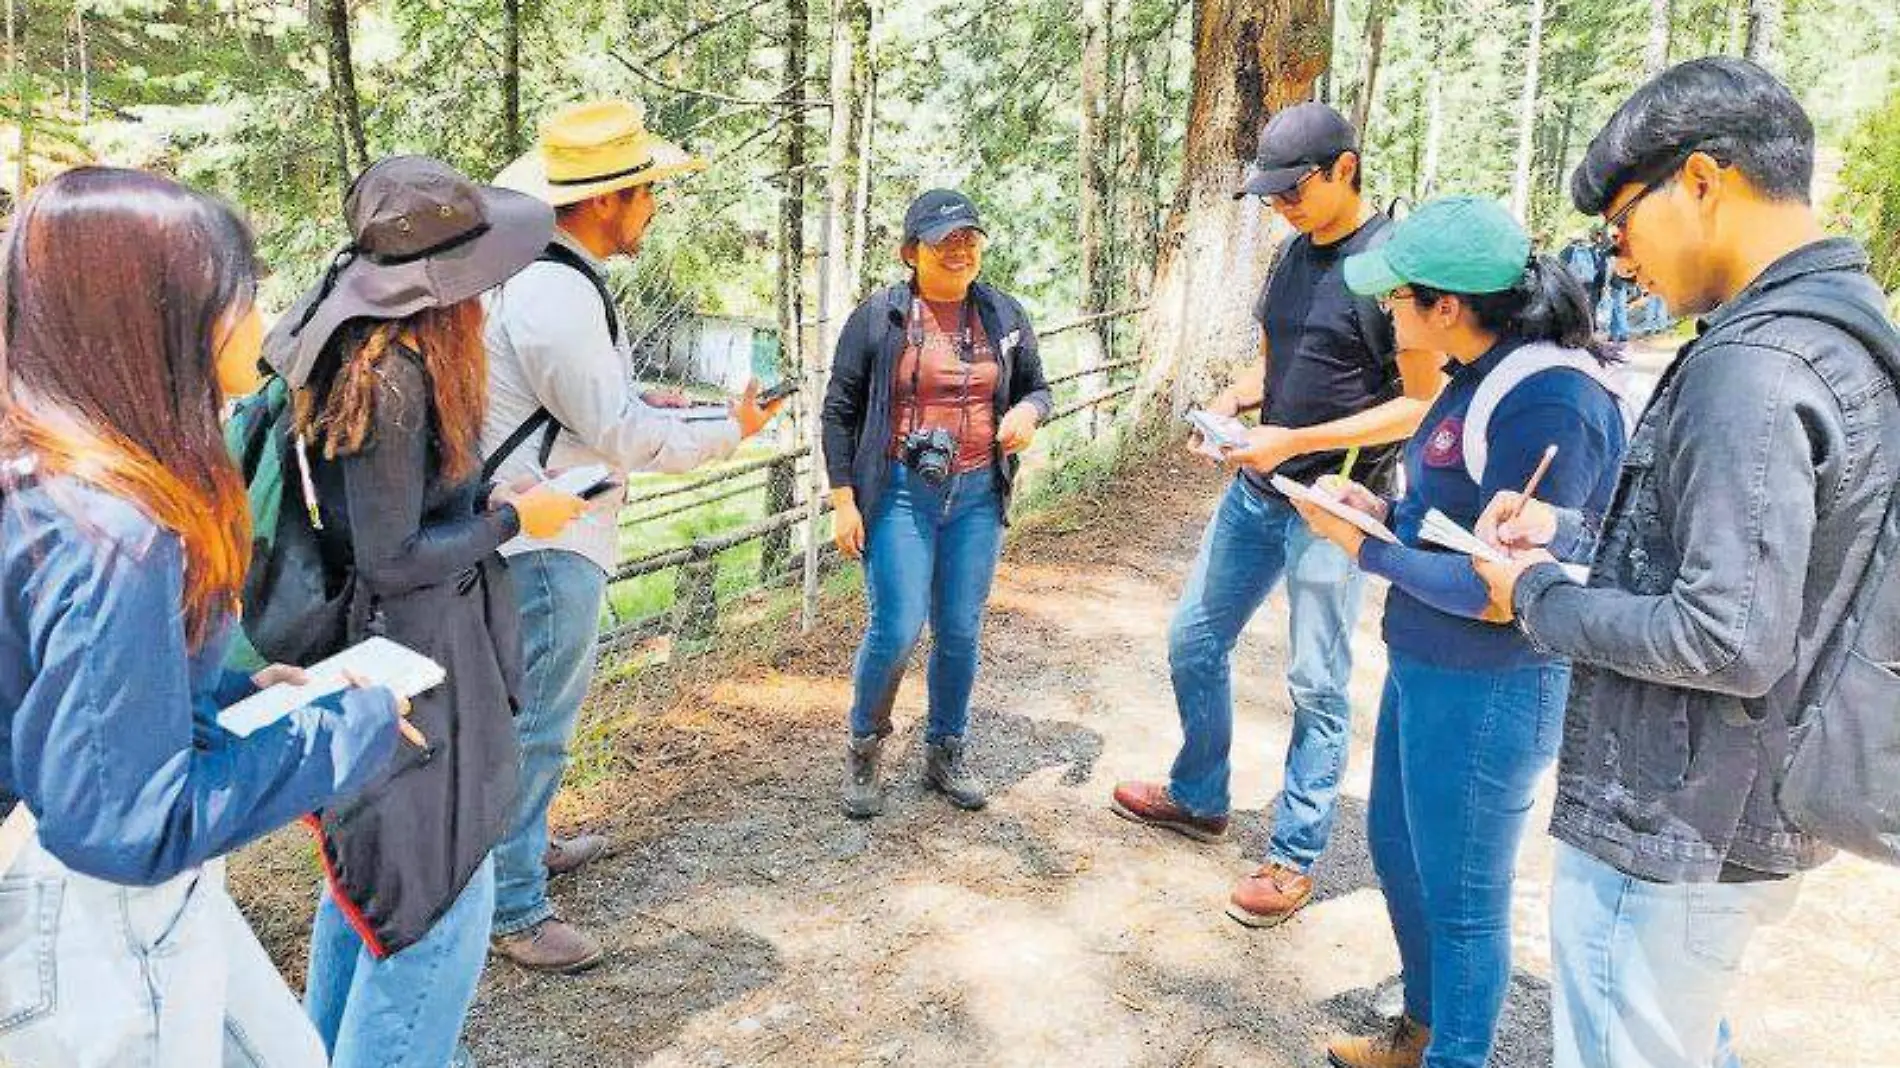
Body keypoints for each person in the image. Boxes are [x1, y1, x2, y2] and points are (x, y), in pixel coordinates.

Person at [1473, 58, 1900, 1068]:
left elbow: (1722, 636)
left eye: (1621, 221)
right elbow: (1761, 564)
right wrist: (1573, 540)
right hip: (1740, 806)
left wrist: (1534, 595)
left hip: (1675, 819)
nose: (1616, 258)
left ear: (1701, 181)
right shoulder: (1843, 330)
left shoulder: (1755, 365)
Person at [0, 167, 405, 1067]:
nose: (259, 324)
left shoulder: (48, 484)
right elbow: (125, 825)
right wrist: (348, 729)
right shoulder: (115, 531)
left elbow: (62, 700)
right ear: (160, 320)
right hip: (95, 925)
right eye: (243, 296)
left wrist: (224, 694)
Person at [1284, 197, 1626, 1068]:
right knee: (1400, 852)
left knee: (1464, 893)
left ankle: (1455, 1054)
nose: (1384, 312)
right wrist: (1386, 509)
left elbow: (1499, 591)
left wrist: (1367, 549)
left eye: (1397, 298)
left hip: (1493, 678)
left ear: (1446, 305)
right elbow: (1454, 518)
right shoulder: (1475, 373)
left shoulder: (1547, 401)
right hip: (1427, 661)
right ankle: (1425, 1027)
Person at [263, 155, 586, 1068]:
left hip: (398, 658)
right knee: (433, 915)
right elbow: (393, 558)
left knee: (371, 895)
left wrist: (487, 500)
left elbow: (398, 520)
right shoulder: (392, 375)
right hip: (414, 670)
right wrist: (520, 520)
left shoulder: (363, 352)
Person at [1109, 102, 1445, 927]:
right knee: (1193, 636)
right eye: (1272, 192)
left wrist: (1298, 437)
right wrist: (1236, 403)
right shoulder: (1292, 257)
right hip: (1258, 490)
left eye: (1295, 188)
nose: (1281, 204)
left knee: (1316, 682)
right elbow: (1282, 365)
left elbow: (1421, 403)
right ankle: (1199, 793)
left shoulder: (1391, 267)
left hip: (1334, 503)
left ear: (1346, 169)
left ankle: (1294, 855)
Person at [479, 99, 784, 974]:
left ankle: (524, 852)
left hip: (544, 523)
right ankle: (514, 906)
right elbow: (620, 434)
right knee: (537, 721)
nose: (654, 206)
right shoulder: (554, 294)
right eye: (647, 190)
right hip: (546, 540)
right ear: (608, 198)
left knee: (536, 714)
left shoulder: (543, 275)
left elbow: (590, 408)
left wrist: (685, 412)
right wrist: (729, 433)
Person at [821, 189, 1052, 818]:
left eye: (969, 239)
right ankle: (865, 747)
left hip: (978, 491)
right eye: (944, 241)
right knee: (896, 626)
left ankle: (945, 750)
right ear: (909, 252)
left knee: (959, 628)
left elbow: (1037, 388)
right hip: (899, 491)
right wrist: (844, 500)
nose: (960, 250)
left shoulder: (1003, 315)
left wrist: (1028, 413)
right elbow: (839, 409)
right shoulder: (879, 317)